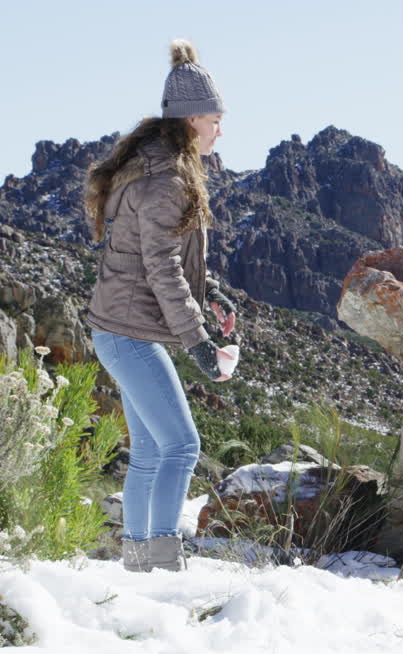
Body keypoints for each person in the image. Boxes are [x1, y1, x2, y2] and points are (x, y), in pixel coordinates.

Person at [84, 39, 238, 572]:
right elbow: (163, 270)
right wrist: (198, 341)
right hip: (128, 333)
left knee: (151, 450)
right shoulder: (167, 180)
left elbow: (161, 257)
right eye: (217, 119)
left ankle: (136, 565)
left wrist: (209, 291)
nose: (221, 129)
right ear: (194, 118)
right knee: (181, 447)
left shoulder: (158, 166)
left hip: (122, 328)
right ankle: (165, 562)